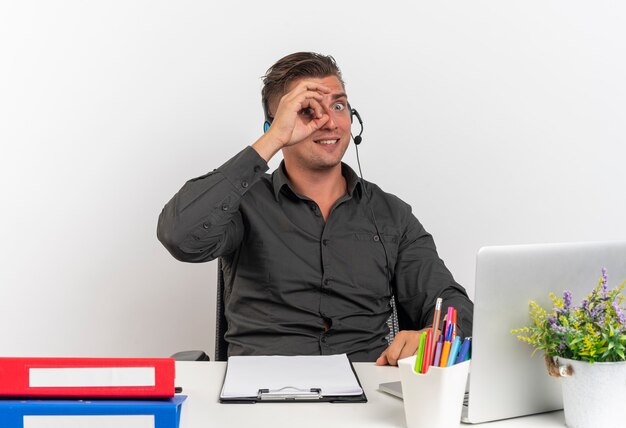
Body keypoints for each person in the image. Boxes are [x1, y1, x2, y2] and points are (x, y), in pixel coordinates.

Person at [157, 52, 473, 365]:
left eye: (338, 106)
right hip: (261, 394)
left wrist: (430, 335)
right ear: (277, 123)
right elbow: (179, 236)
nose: (329, 122)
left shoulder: (392, 215)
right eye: (308, 110)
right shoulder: (244, 203)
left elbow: (453, 306)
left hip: (364, 391)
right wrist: (273, 139)